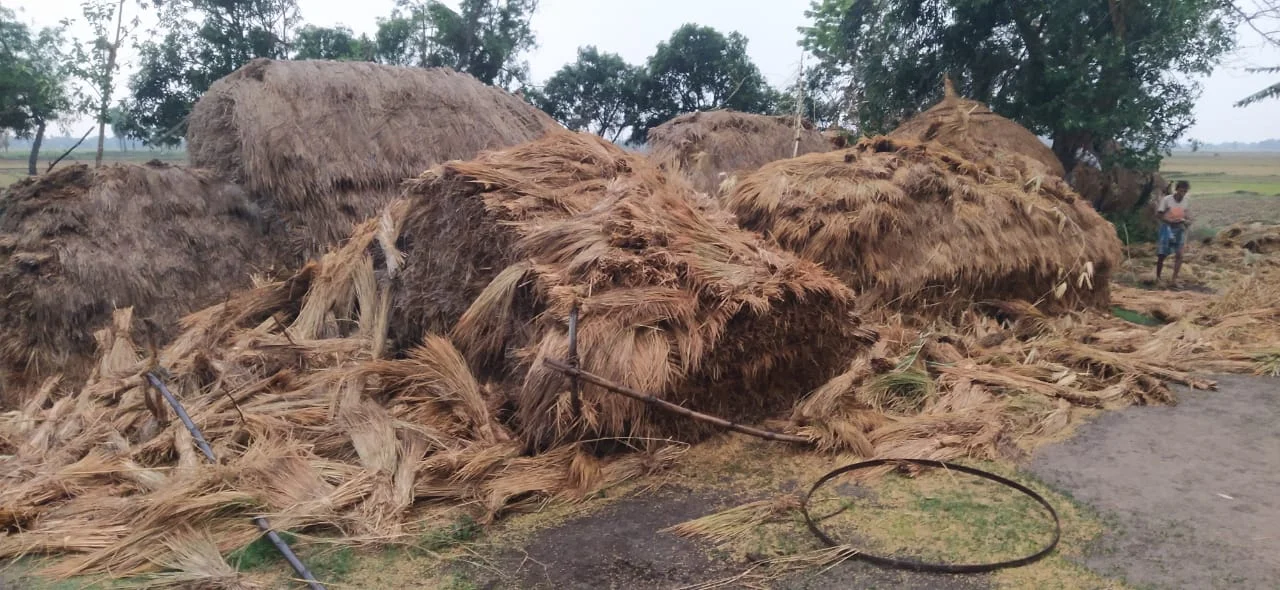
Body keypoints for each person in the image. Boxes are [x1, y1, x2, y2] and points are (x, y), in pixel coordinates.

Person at [1155, 180, 1192, 285]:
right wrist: (1169, 221)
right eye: (1181, 191)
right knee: (1162, 254)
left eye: (1185, 191)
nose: (1182, 193)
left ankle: (1174, 280)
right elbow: (1159, 214)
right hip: (1167, 228)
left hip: (1179, 228)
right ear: (1176, 190)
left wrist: (1187, 221)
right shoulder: (1167, 200)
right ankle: (1158, 278)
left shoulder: (1186, 201)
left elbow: (1186, 214)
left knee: (1180, 254)